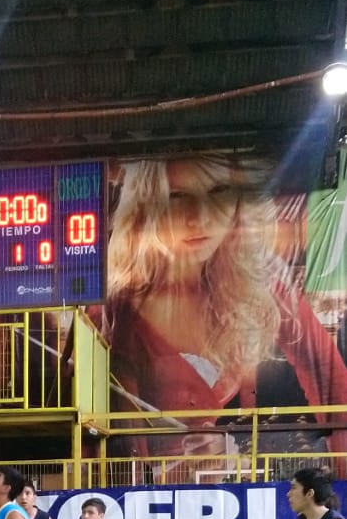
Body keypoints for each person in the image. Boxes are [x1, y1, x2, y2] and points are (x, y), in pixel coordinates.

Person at [92, 156, 347, 466]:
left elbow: (337, 392)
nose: (199, 218)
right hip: (152, 488)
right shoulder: (118, 308)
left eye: (219, 190)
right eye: (177, 195)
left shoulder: (262, 280)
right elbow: (123, 453)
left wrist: (335, 480)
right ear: (148, 203)